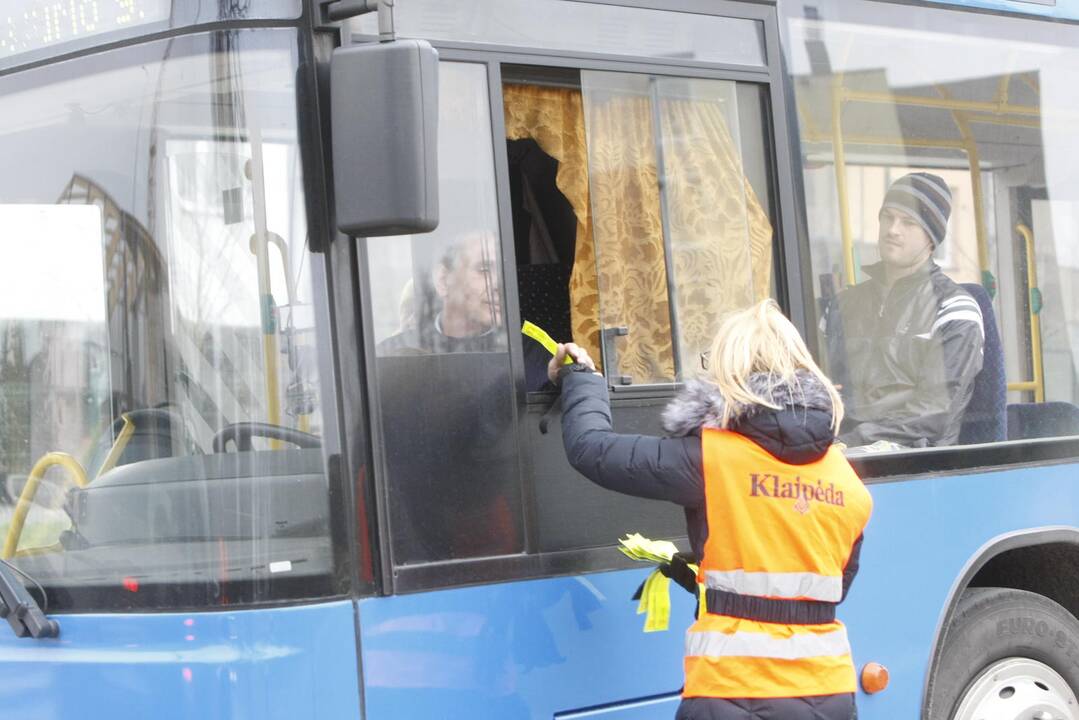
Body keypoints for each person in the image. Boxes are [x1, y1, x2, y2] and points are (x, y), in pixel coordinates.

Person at [550, 300, 872, 720]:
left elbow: (592, 450)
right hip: (830, 694)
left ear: (731, 373)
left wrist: (582, 378)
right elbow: (822, 587)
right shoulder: (846, 481)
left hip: (731, 693)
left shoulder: (711, 458)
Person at [823, 172, 984, 448]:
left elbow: (934, 412)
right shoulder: (842, 306)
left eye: (908, 222)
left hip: (914, 463)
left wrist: (849, 443)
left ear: (932, 238)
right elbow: (815, 386)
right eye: (887, 217)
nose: (892, 229)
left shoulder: (954, 310)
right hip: (837, 451)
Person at [378, 229, 553, 390]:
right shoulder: (392, 355)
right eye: (484, 270)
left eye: (503, 272)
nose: (499, 284)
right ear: (443, 280)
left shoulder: (535, 353)